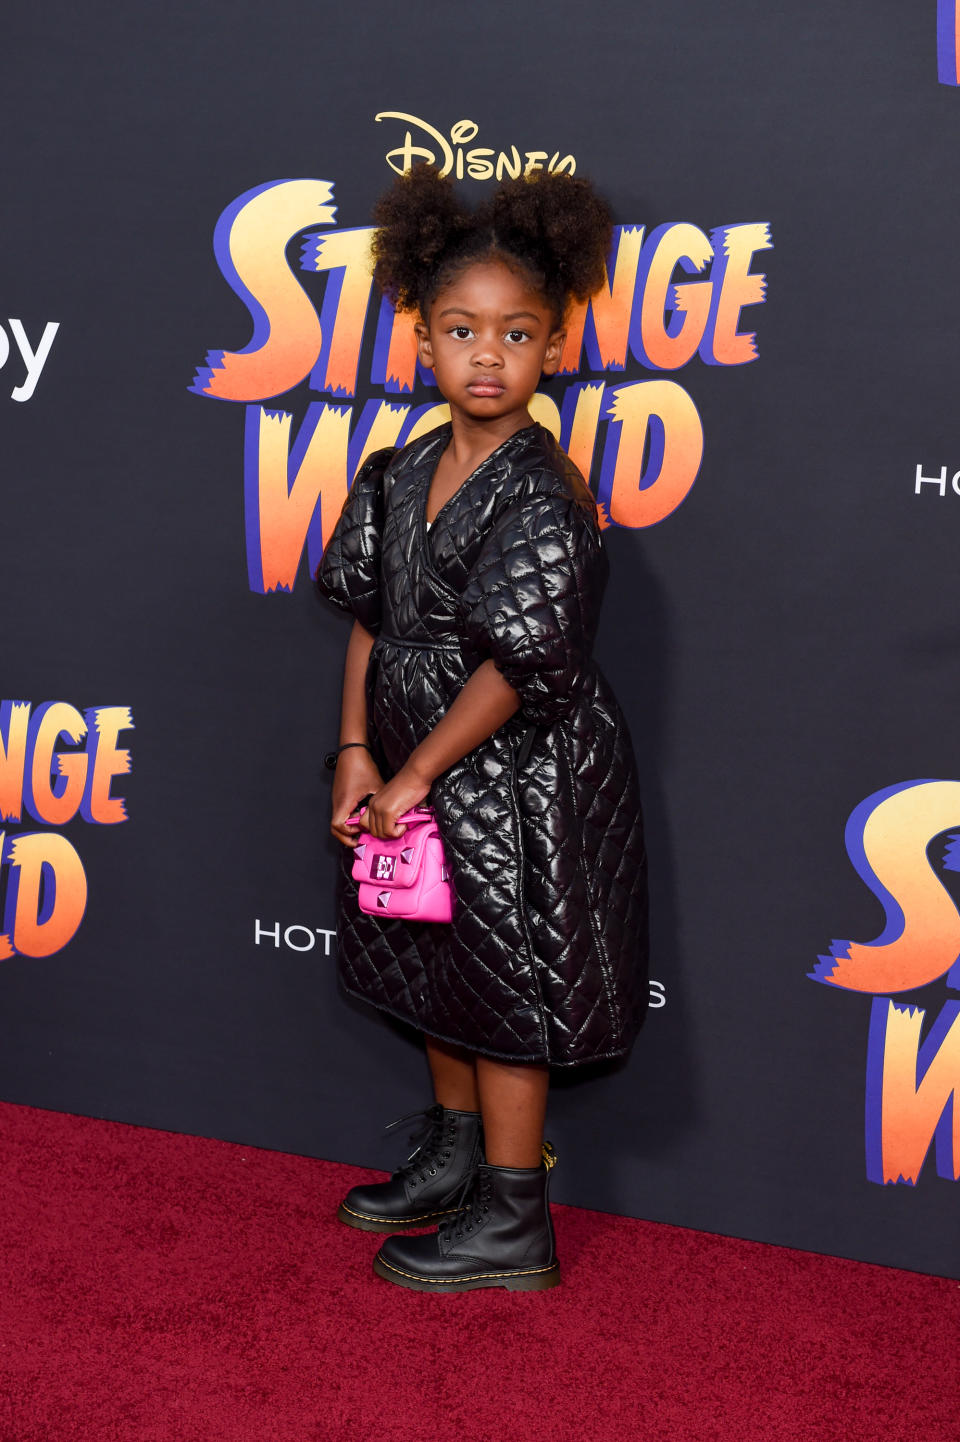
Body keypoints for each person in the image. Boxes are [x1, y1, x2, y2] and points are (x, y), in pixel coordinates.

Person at [315, 164, 649, 1293]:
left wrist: (413, 769)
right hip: (416, 760)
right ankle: (456, 1161)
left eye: (518, 332)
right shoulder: (401, 470)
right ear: (422, 341)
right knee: (434, 961)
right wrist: (358, 752)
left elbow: (521, 662)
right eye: (463, 330)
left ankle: (514, 1218)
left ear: (555, 348)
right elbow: (373, 616)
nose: (489, 353)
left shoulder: (544, 491)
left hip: (516, 765)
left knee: (506, 985)